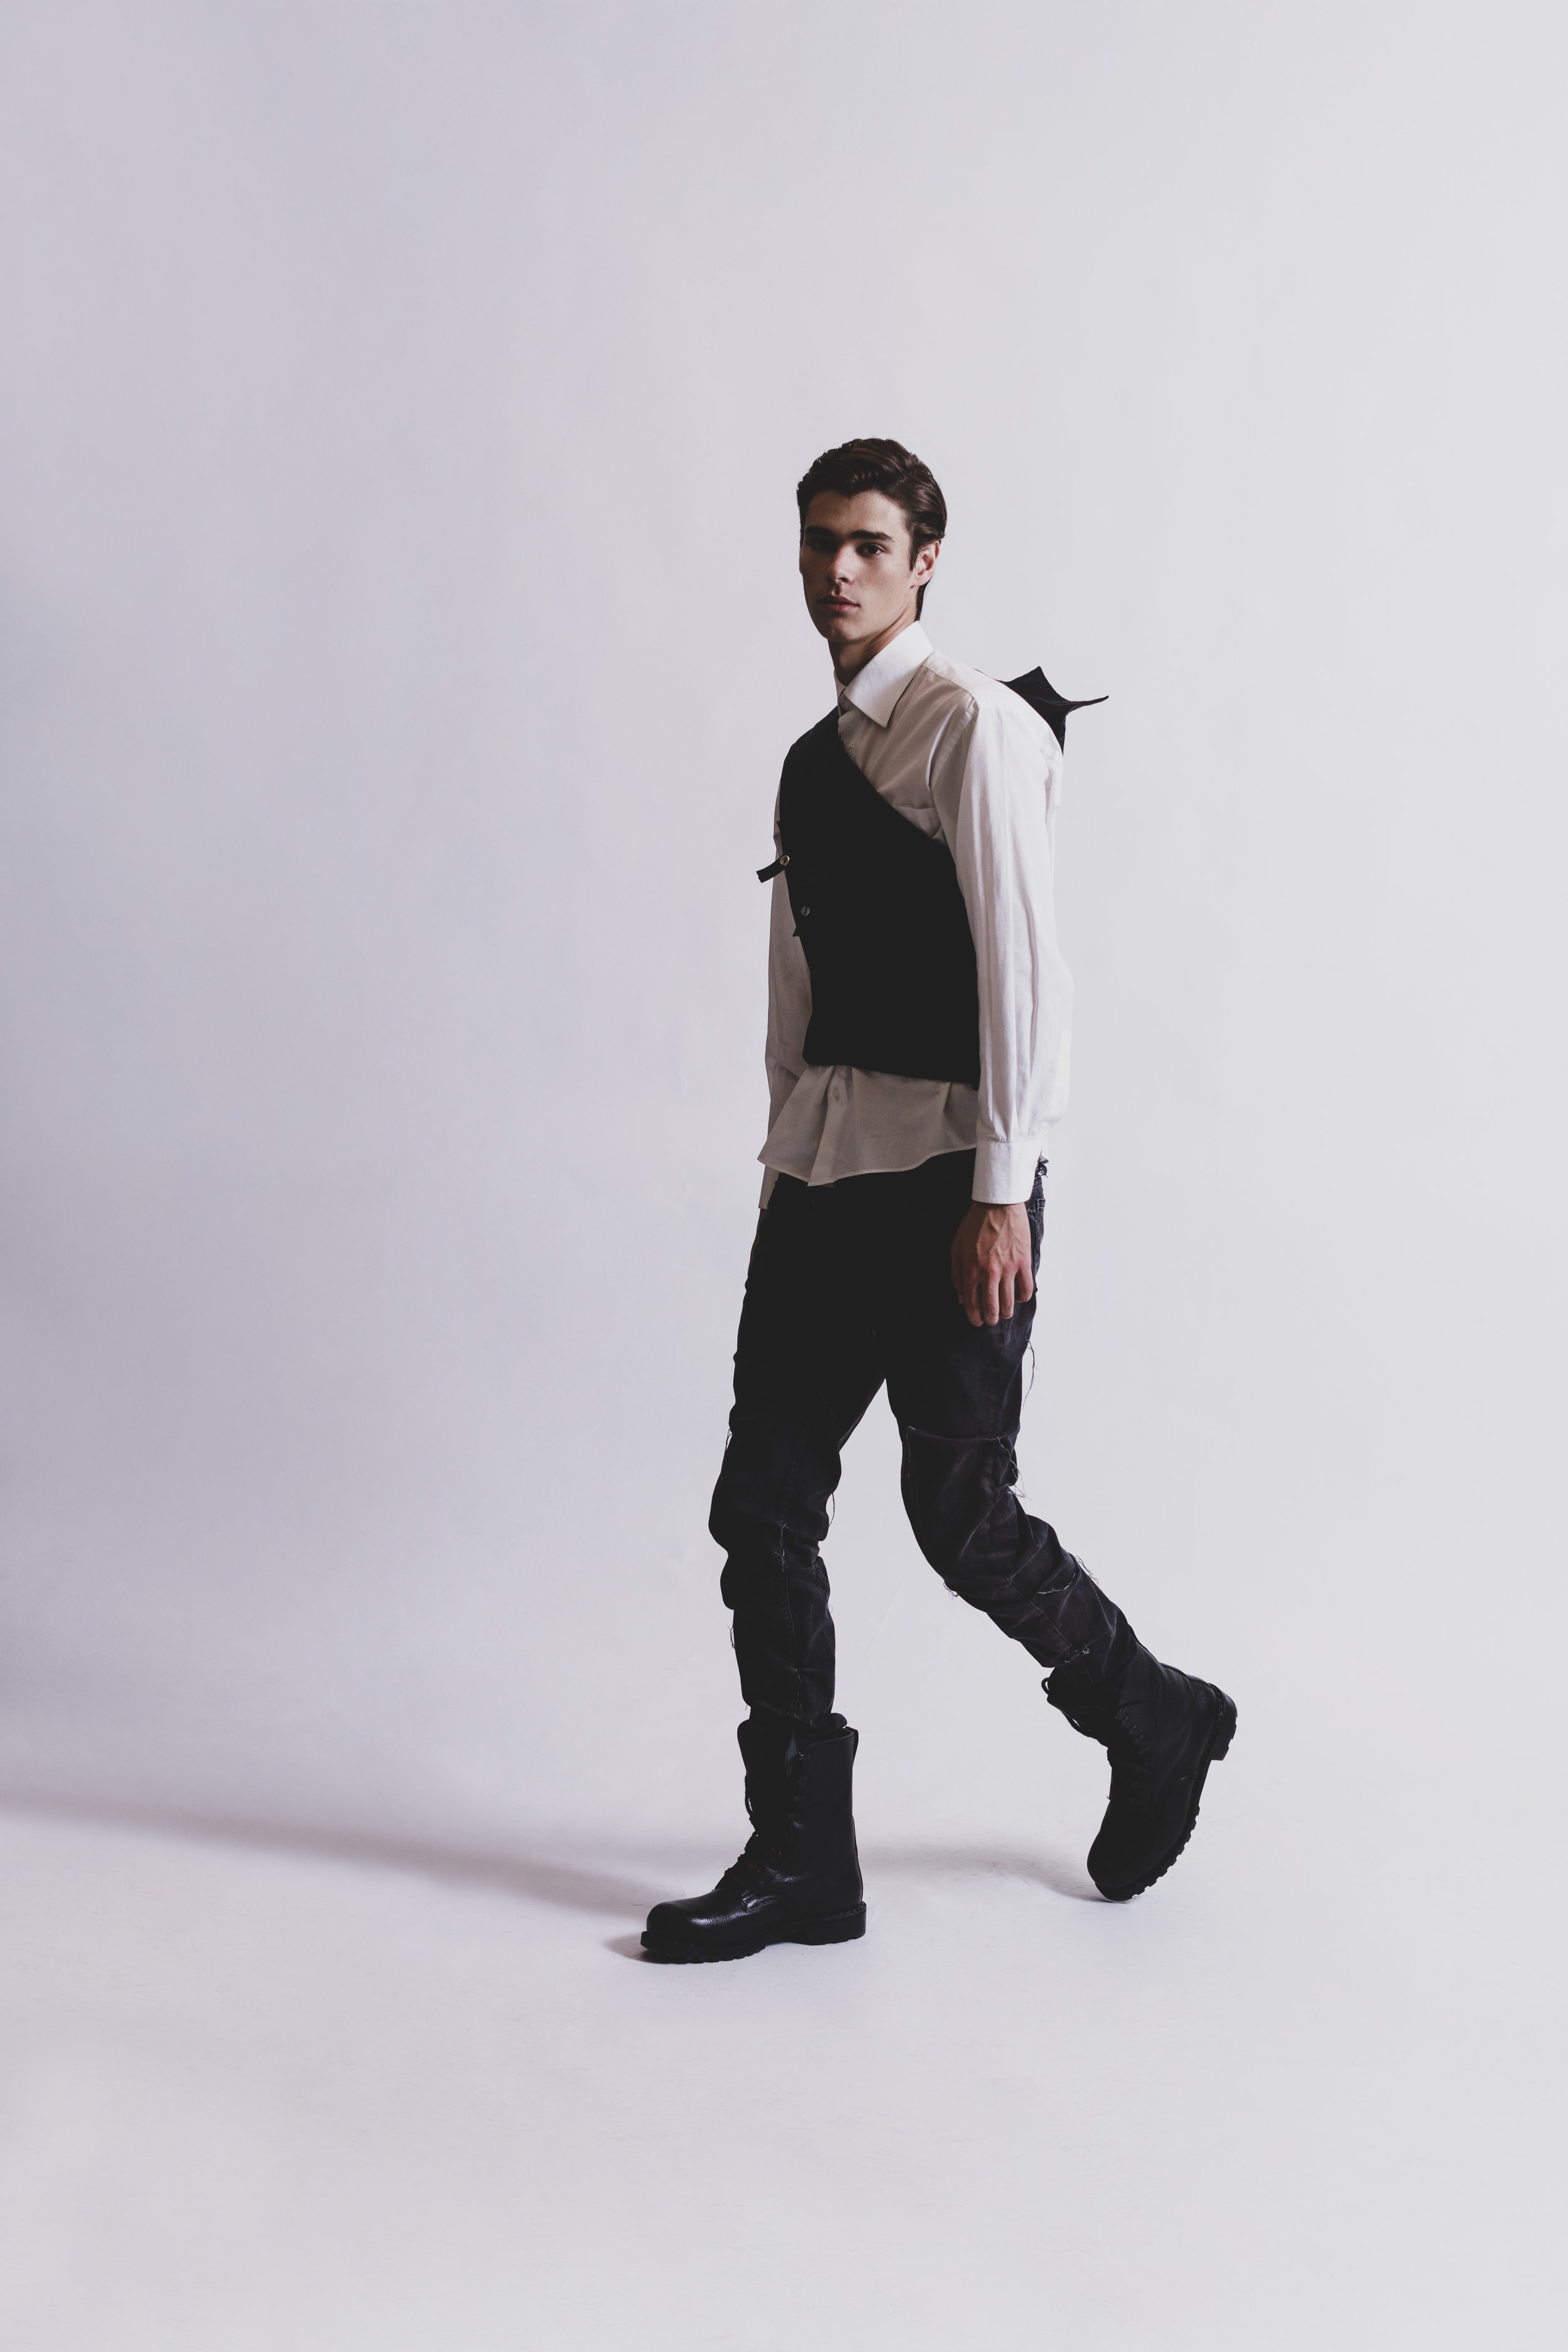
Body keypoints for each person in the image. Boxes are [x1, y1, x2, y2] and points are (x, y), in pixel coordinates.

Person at [642, 439, 1235, 1964]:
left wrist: (1002, 1190)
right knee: (759, 1507)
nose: (835, 571)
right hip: (823, 1175)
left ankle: (1152, 1716)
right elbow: (793, 985)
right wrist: (780, 1160)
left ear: (922, 562)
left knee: (957, 1515)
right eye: (817, 544)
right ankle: (801, 1858)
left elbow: (1024, 969)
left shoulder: (969, 728)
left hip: (949, 1178)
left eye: (866, 545)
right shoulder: (806, 759)